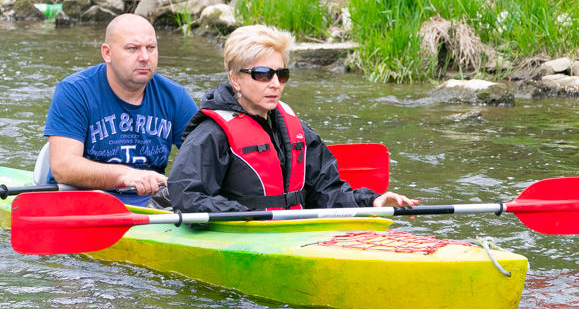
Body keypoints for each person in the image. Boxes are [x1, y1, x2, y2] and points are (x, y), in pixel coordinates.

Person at [168, 24, 418, 213]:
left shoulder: (295, 130)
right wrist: (243, 217)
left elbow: (325, 189)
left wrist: (371, 200)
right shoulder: (211, 134)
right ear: (236, 79)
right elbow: (187, 196)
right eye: (263, 74)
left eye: (282, 74)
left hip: (290, 233)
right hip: (243, 235)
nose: (275, 84)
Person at [44, 13, 198, 207]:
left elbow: (205, 159)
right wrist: (126, 175)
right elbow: (63, 166)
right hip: (81, 200)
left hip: (151, 205)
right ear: (107, 53)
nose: (144, 57)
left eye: (151, 48)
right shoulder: (74, 91)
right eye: (132, 48)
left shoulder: (175, 97)